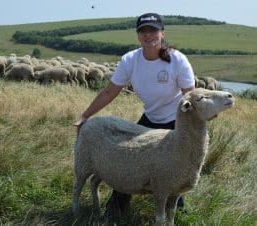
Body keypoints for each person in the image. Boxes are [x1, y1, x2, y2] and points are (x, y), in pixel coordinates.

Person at [74, 12, 195, 217]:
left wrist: (195, 128)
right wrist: (84, 116)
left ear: (162, 34)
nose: (148, 35)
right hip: (149, 120)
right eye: (143, 31)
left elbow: (190, 98)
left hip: (176, 121)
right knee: (127, 163)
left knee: (175, 170)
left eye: (153, 30)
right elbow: (109, 92)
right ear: (138, 36)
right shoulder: (131, 60)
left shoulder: (178, 60)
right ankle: (116, 209)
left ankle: (177, 213)